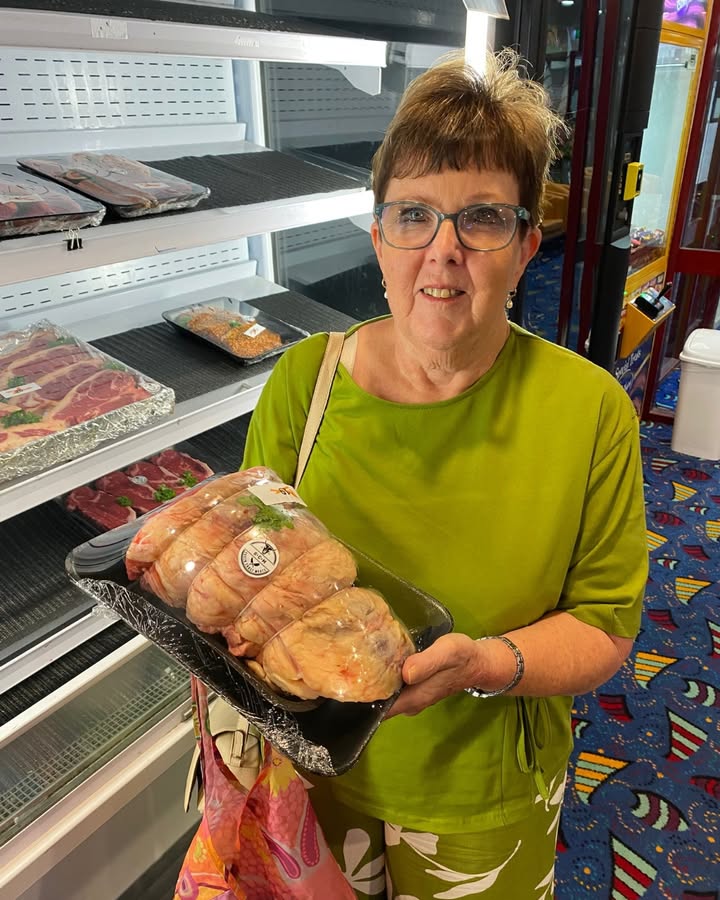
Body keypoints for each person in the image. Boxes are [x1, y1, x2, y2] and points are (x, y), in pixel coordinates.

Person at [240, 49, 648, 899]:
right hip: (316, 779)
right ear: (378, 235)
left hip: (485, 799)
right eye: (413, 215)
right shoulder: (301, 386)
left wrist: (484, 664)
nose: (443, 252)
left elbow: (607, 628)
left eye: (484, 219)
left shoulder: (589, 411)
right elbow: (252, 592)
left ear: (528, 245)